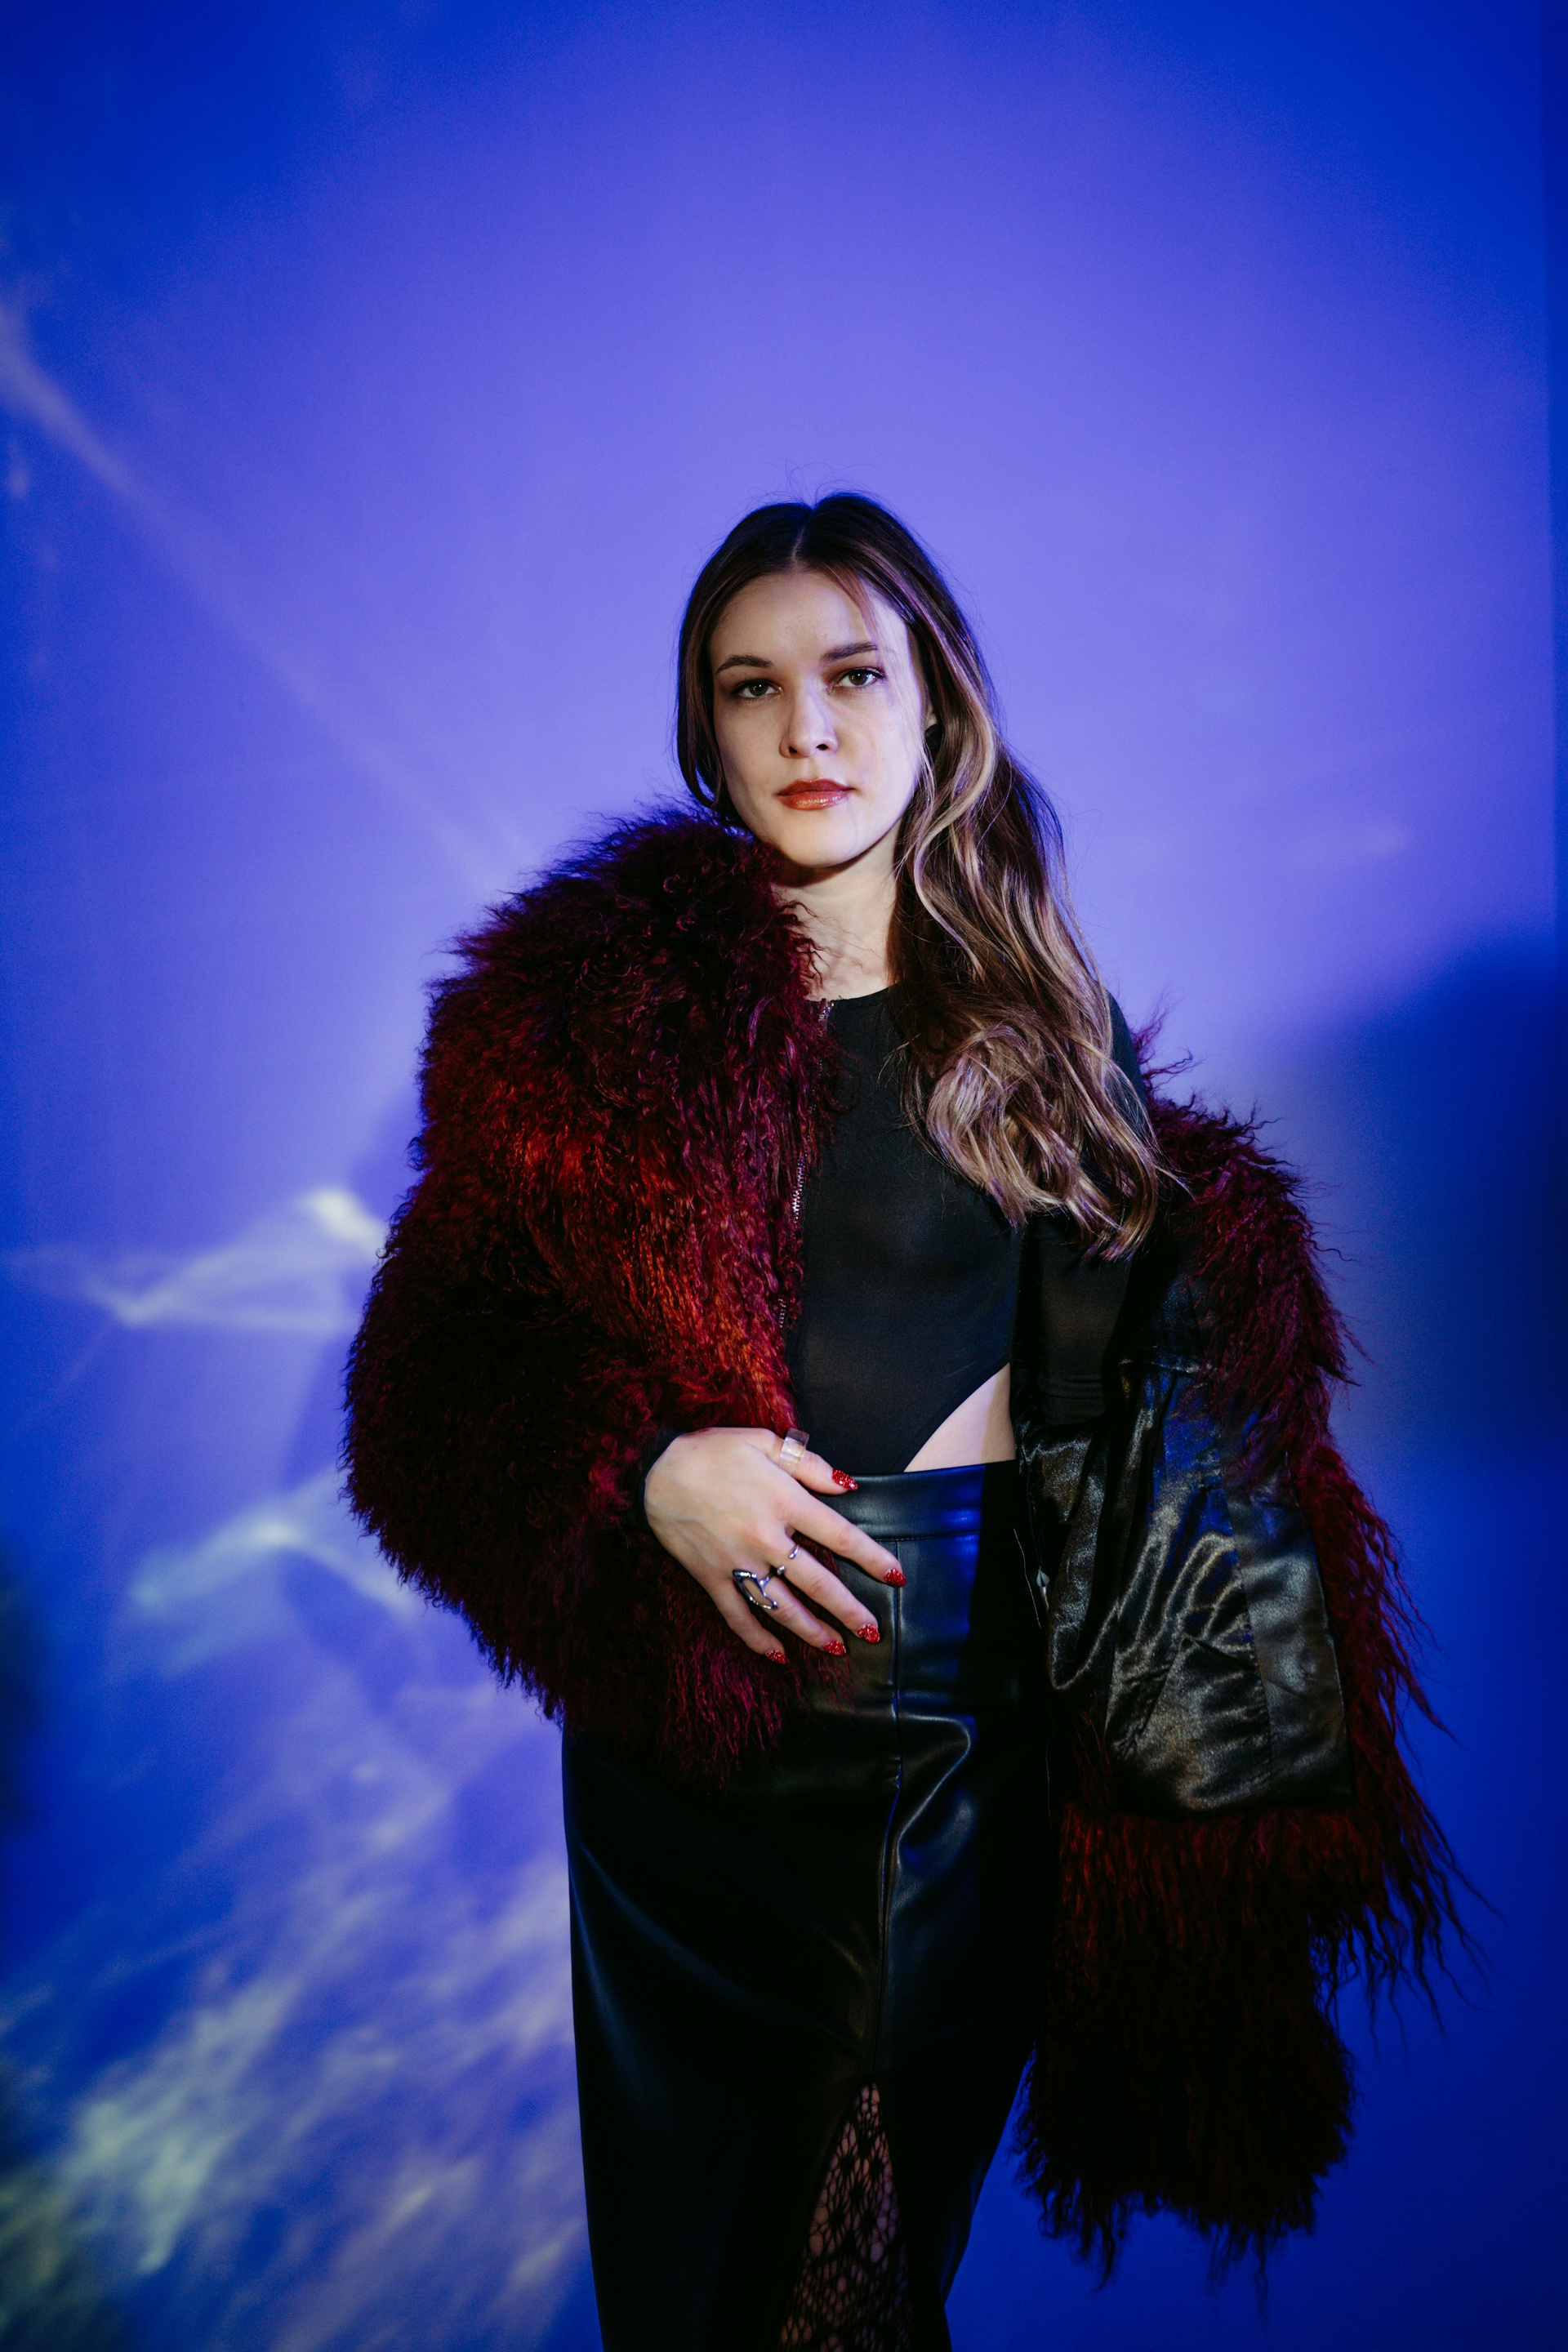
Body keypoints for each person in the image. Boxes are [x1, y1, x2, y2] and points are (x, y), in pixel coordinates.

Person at [345, 495, 1457, 2350]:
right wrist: (649, 1470)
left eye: (855, 676)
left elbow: (1165, 1480)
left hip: (958, 1732)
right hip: (688, 1773)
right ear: (704, 731)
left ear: (937, 704)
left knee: (842, 2288)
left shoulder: (1052, 1042)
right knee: (705, 2303)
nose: (809, 728)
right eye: (751, 687)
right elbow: (429, 1379)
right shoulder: (586, 1030)